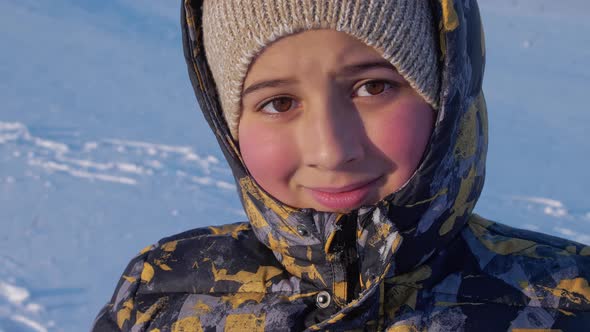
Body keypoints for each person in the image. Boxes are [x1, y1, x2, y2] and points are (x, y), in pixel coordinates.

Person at [92, 0, 590, 331]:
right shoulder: (158, 295)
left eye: (373, 87)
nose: (331, 150)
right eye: (279, 102)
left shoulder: (567, 299)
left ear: (445, 95)